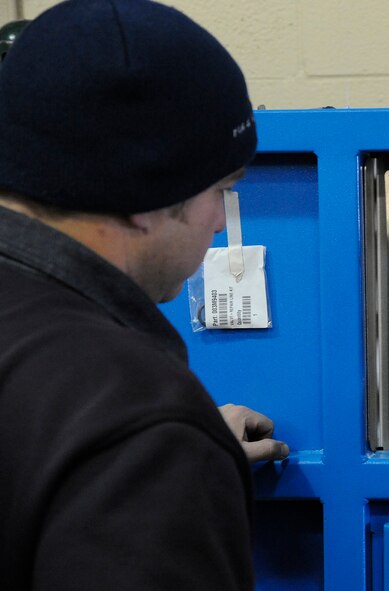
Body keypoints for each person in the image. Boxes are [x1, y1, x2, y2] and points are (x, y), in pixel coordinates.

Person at [0, 1, 286, 589]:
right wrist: (171, 457)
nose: (216, 224)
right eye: (222, 190)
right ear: (145, 190)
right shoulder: (143, 423)